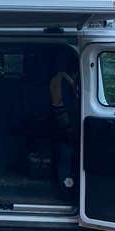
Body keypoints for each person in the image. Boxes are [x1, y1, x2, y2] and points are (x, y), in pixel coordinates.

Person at [48, 51, 79, 189]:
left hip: (58, 114)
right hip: (66, 115)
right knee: (68, 149)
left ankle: (62, 180)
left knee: (63, 148)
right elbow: (74, 95)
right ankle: (65, 184)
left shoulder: (54, 79)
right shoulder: (65, 80)